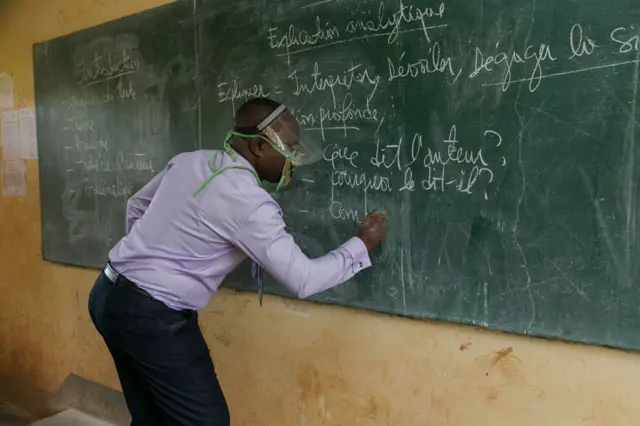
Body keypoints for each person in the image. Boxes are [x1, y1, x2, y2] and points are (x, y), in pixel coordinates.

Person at [87, 97, 387, 426]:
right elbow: (304, 279)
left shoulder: (190, 161)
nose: (293, 161)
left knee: (152, 416)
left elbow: (136, 206)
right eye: (288, 148)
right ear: (258, 147)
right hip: (151, 315)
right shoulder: (249, 202)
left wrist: (147, 263)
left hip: (108, 294)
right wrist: (361, 244)